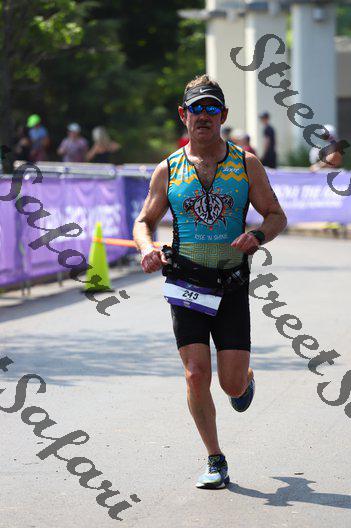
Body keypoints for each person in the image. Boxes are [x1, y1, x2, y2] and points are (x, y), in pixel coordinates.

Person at [133, 75, 287, 490]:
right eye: (195, 109)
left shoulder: (246, 164)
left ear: (223, 115)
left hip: (230, 283)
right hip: (186, 283)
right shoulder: (169, 169)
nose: (203, 115)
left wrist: (257, 236)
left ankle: (244, 379)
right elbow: (144, 221)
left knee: (230, 384)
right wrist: (146, 247)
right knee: (195, 373)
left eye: (211, 108)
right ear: (183, 115)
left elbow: (276, 215)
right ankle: (215, 458)